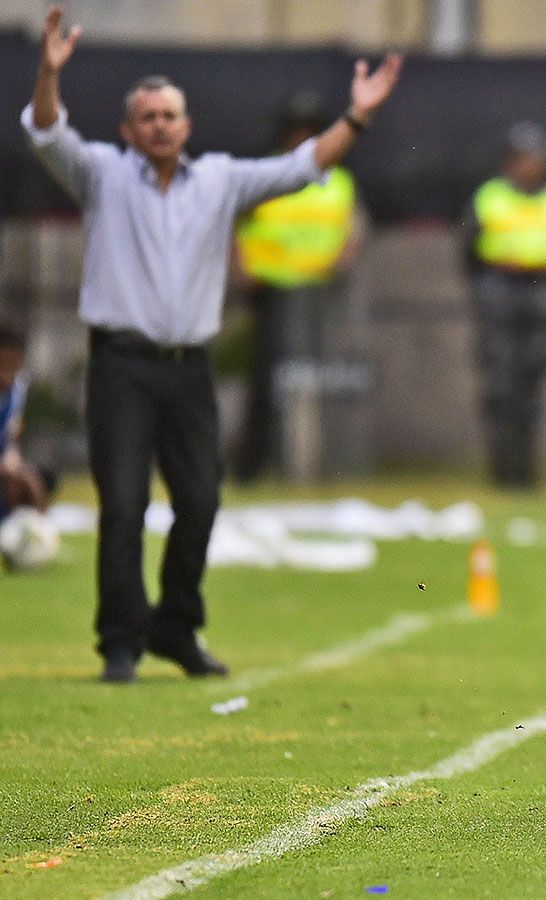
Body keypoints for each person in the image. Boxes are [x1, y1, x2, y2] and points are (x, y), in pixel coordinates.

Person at [21, 5, 403, 683]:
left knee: (200, 501)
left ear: (187, 126)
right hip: (122, 365)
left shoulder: (220, 181)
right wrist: (48, 74)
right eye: (147, 117)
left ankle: (176, 627)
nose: (160, 125)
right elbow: (49, 133)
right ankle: (120, 641)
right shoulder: (103, 175)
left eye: (170, 115)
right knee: (124, 505)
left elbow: (302, 166)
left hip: (188, 368)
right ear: (128, 130)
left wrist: (358, 117)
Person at [234, 94, 366, 483]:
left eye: (311, 132)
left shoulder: (337, 180)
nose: (303, 140)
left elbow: (353, 230)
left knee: (317, 378)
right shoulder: (266, 173)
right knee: (266, 380)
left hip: (320, 294)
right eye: (297, 132)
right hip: (271, 291)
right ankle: (255, 465)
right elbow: (235, 225)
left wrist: (341, 260)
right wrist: (241, 269)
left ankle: (316, 466)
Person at [464, 122, 546, 489]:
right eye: (523, 159)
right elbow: (468, 249)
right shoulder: (490, 196)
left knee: (533, 384)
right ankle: (502, 468)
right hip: (500, 289)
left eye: (536, 159)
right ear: (510, 162)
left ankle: (527, 469)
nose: (530, 166)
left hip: (544, 290)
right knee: (501, 384)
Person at [0, 325, 54, 516]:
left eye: (13, 365)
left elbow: (11, 434)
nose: (7, 372)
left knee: (42, 478)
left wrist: (14, 462)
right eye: (3, 364)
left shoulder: (18, 388)